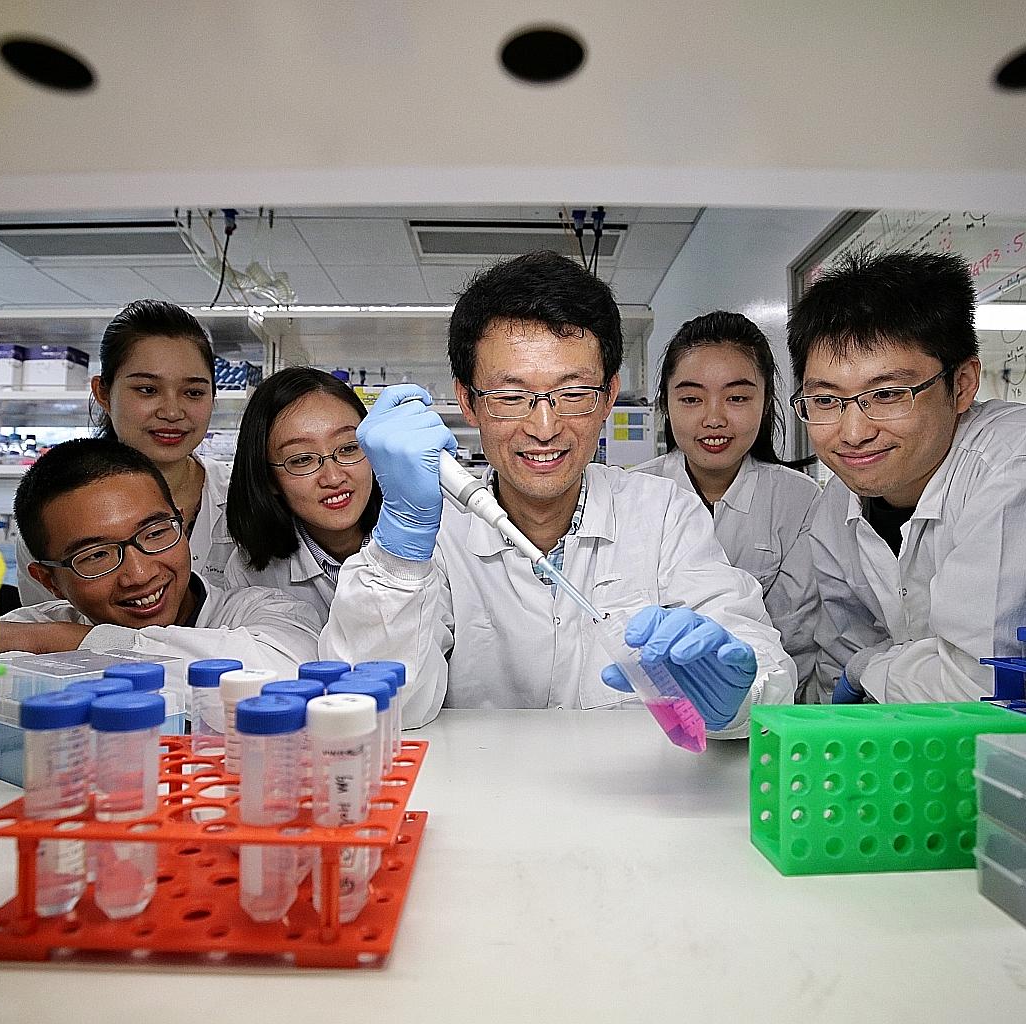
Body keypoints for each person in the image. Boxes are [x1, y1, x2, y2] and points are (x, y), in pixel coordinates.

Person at [321, 251, 797, 734]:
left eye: (573, 393)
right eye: (511, 396)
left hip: (630, 801)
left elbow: (758, 661)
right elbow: (375, 712)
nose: (544, 427)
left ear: (609, 395)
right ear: (467, 400)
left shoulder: (662, 511)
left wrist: (737, 694)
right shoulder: (436, 532)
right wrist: (399, 552)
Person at [786, 250, 1026, 703]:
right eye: (826, 400)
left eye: (888, 394)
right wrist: (864, 671)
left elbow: (986, 683)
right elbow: (841, 663)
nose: (853, 433)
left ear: (963, 384)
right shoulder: (838, 501)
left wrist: (869, 667)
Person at [0, 437, 318, 675]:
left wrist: (75, 643)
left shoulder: (268, 613)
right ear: (49, 580)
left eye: (155, 534)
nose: (139, 574)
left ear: (179, 521)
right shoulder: (27, 629)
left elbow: (280, 676)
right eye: (96, 555)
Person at [635, 311, 822, 697]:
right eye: (691, 398)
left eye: (737, 397)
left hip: (765, 706)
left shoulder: (800, 501)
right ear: (665, 405)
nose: (714, 418)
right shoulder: (634, 493)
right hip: (646, 707)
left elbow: (798, 638)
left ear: (766, 401)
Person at [15, 299, 234, 603]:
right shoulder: (56, 510)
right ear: (103, 393)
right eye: (147, 389)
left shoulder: (244, 498)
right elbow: (49, 633)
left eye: (193, 392)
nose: (172, 412)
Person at [223, 366, 382, 627]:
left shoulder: (433, 539)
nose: (333, 477)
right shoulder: (249, 571)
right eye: (302, 459)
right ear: (269, 478)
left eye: (349, 448)